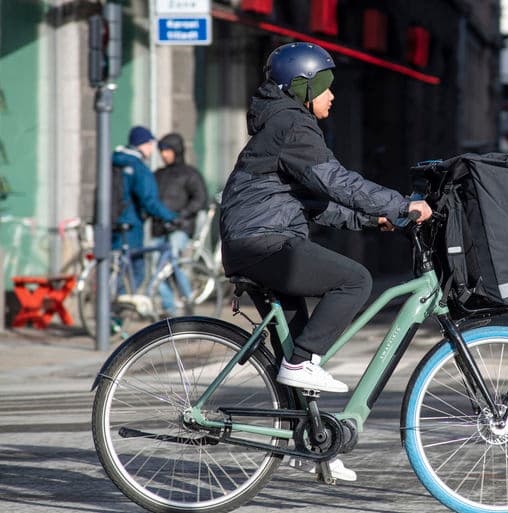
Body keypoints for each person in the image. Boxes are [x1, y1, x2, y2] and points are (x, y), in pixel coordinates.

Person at [219, 42, 431, 480]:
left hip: (260, 237)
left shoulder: (281, 126)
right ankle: (301, 364)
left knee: (295, 347)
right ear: (304, 86)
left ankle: (312, 445)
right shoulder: (292, 125)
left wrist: (377, 218)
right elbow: (335, 181)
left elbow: (317, 203)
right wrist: (401, 203)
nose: (333, 96)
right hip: (264, 242)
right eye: (327, 86)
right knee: (353, 281)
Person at [112, 126, 178, 290]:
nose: (152, 148)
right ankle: (121, 309)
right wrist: (171, 217)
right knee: (137, 271)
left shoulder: (114, 161)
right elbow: (149, 200)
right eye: (150, 144)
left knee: (116, 267)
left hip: (111, 222)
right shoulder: (138, 167)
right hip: (131, 225)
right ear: (142, 144)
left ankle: (116, 307)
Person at [150, 133, 209, 316]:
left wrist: (182, 215)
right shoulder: (158, 174)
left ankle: (187, 299)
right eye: (161, 151)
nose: (163, 155)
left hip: (180, 229)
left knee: (174, 263)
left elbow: (200, 199)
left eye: (167, 150)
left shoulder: (190, 174)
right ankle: (170, 308)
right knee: (157, 270)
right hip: (159, 229)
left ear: (176, 151)